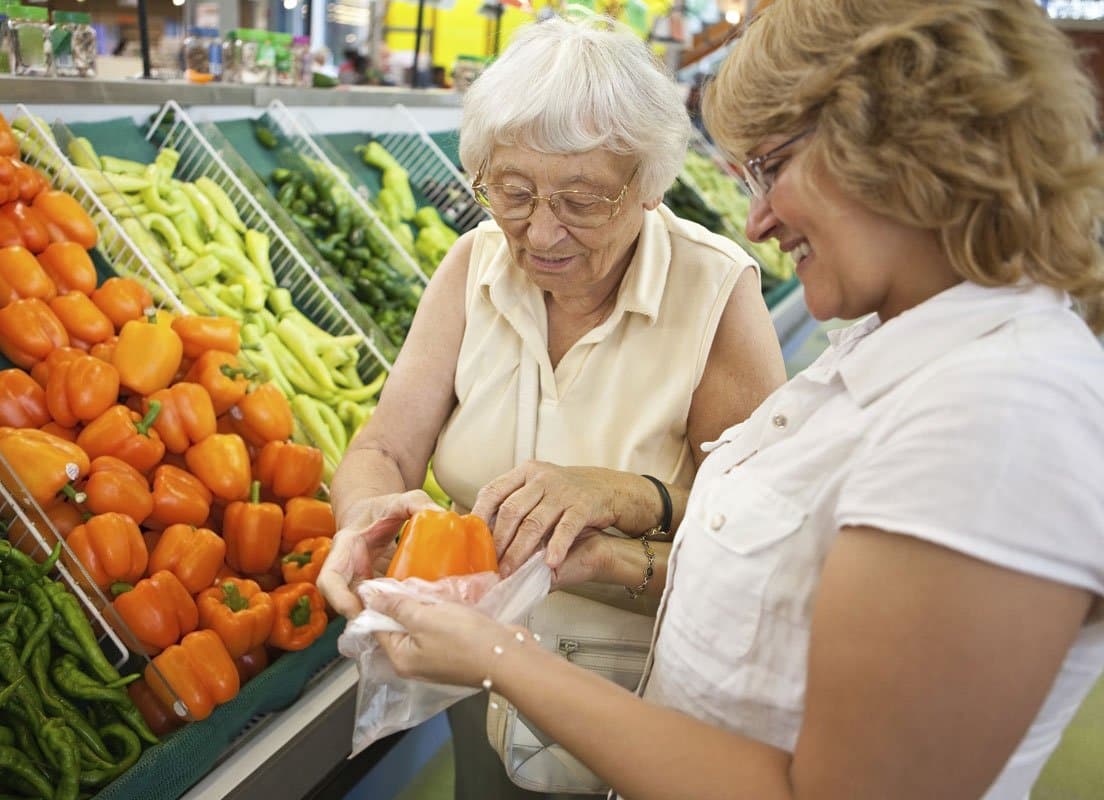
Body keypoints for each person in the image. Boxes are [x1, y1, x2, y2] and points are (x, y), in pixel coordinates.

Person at [344, 1, 1104, 798]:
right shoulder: (893, 356)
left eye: (772, 165)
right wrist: (608, 558)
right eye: (513, 192)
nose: (758, 217)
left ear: (900, 149)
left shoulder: (1002, 415)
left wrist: (501, 656)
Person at [316, 12, 786, 800]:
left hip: (641, 702)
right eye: (512, 191)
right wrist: (364, 513)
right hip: (471, 683)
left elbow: (762, 548)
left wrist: (630, 500)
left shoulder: (714, 292)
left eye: (583, 200)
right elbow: (384, 450)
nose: (539, 231)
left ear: (649, 185)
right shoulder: (473, 265)